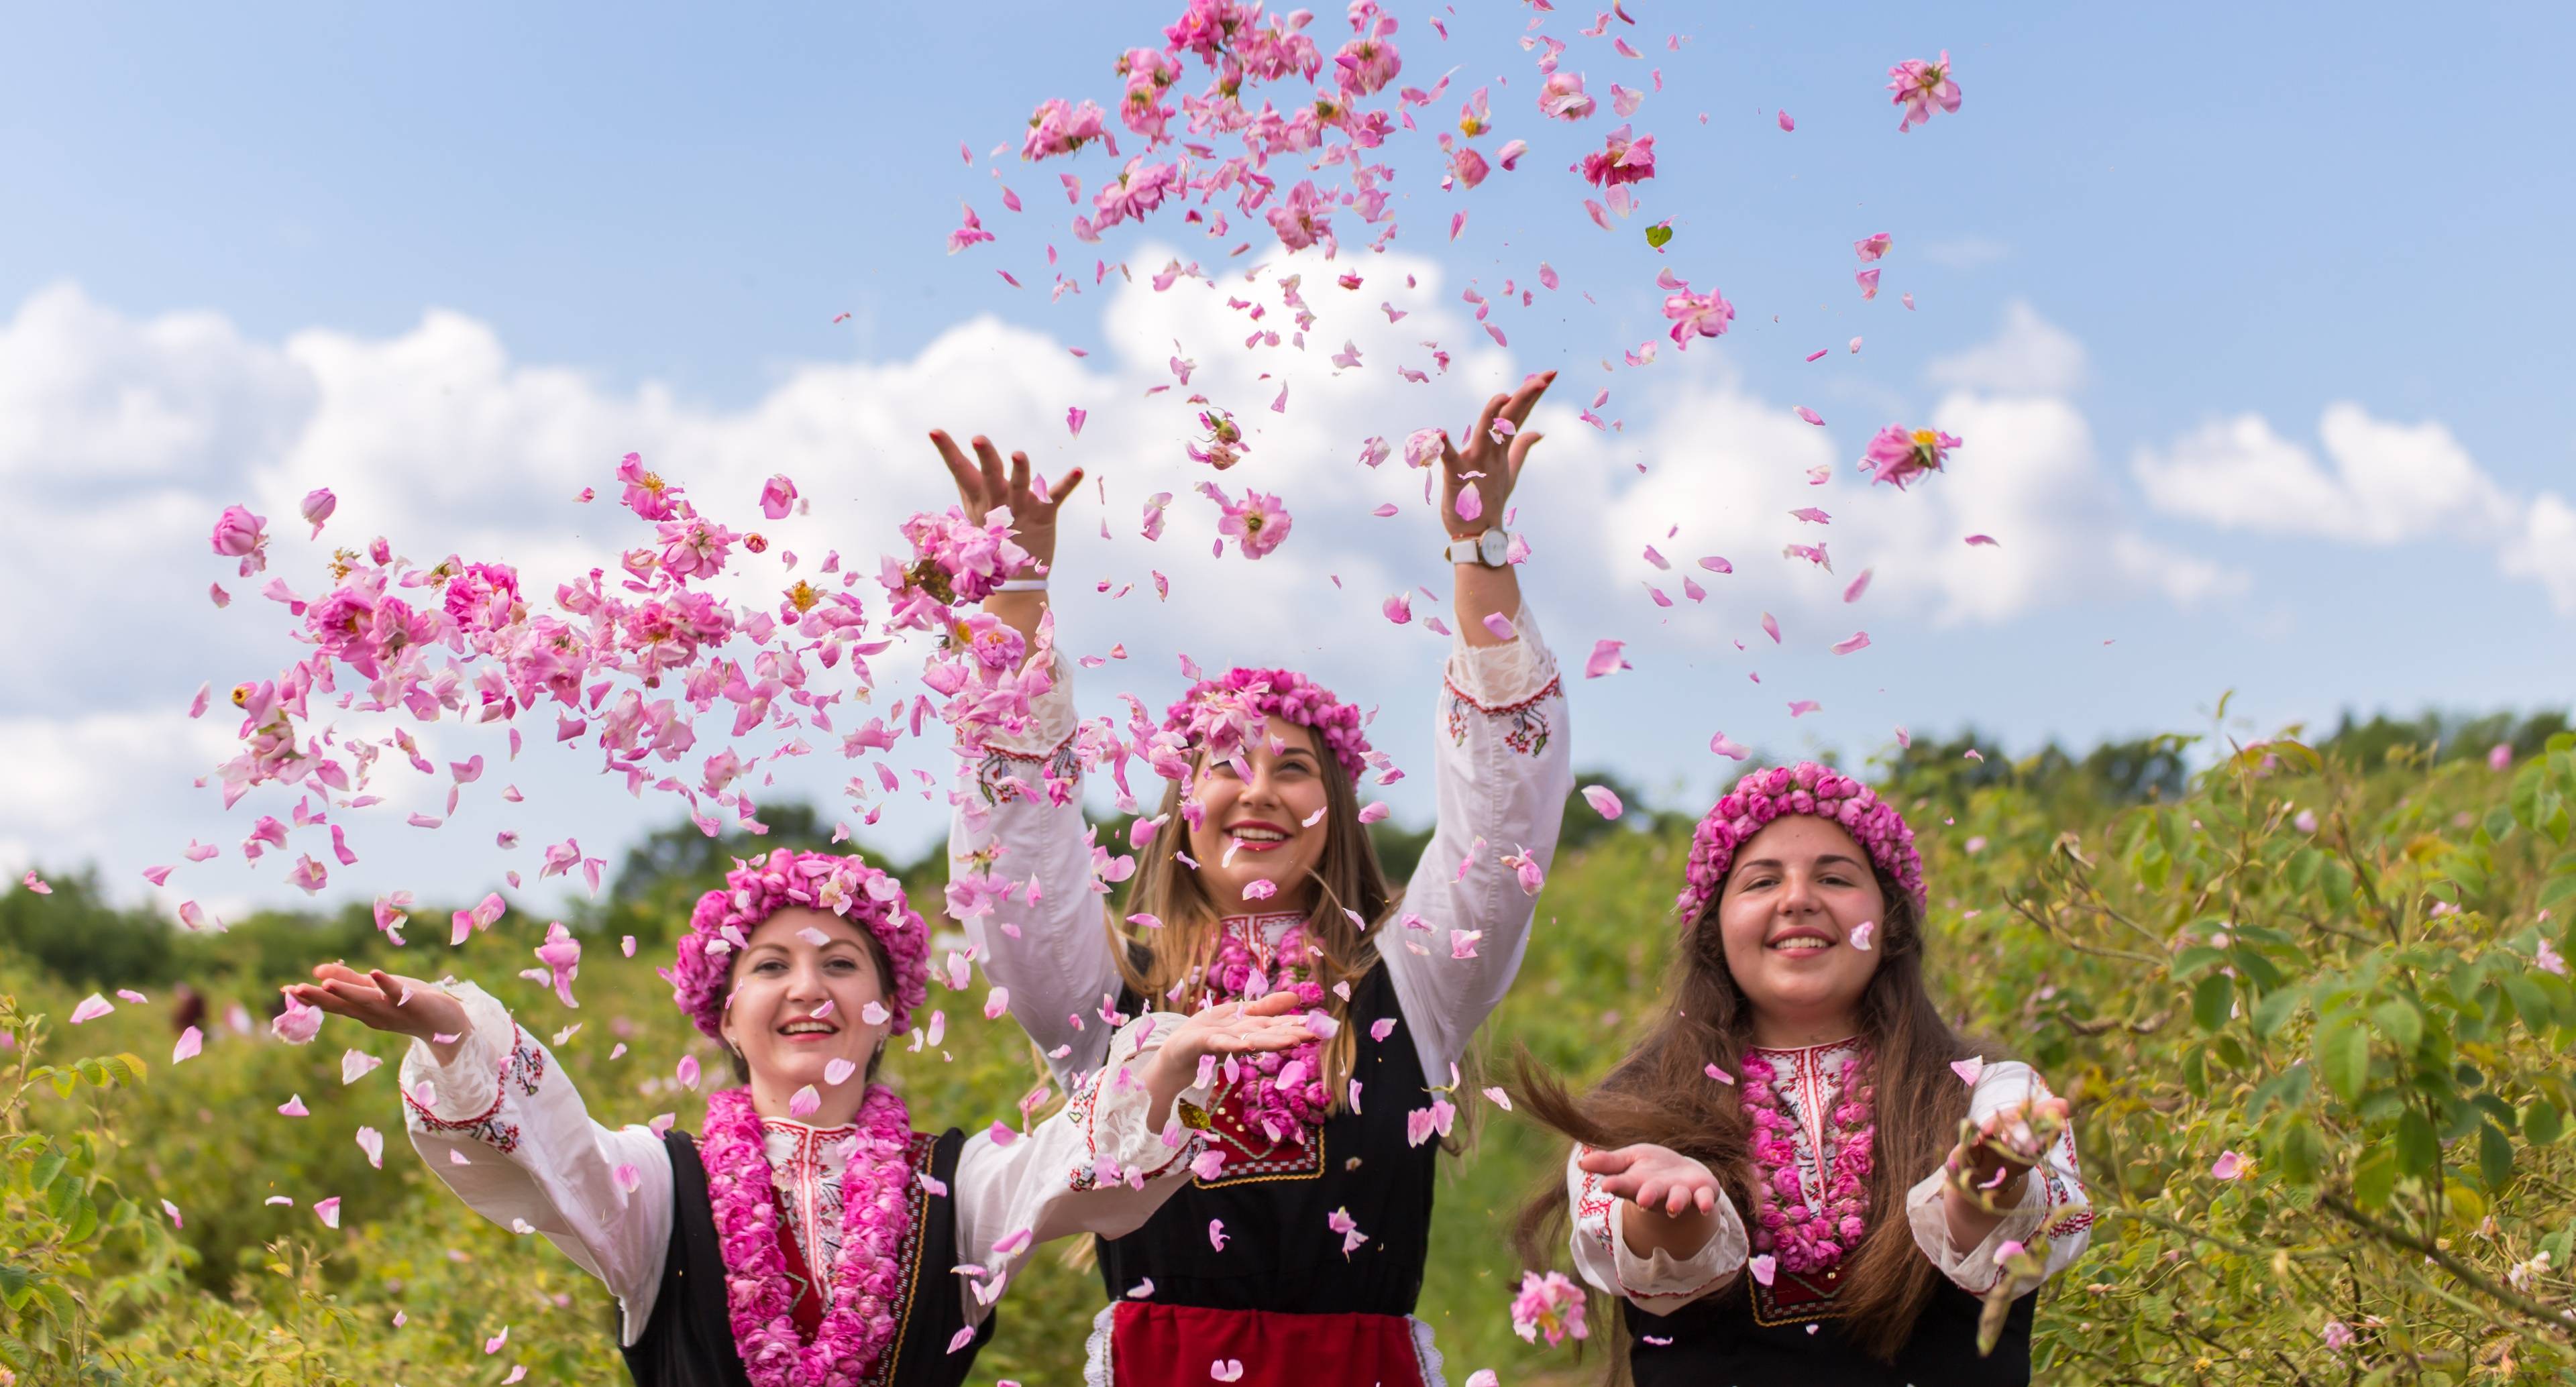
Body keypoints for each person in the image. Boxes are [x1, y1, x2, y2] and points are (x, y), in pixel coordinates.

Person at [932, 372, 1572, 1386]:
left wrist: (1477, 551)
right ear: (1184, 806)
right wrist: (1012, 595)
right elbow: (1019, 868)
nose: (1257, 791)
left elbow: (1505, 817)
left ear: (1337, 808)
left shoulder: (1410, 978)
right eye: (1224, 763)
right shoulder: (1110, 999)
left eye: (1294, 767)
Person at [286, 847, 1317, 1387]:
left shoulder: (958, 1190)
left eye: (841, 965)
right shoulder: (656, 1187)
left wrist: (1171, 1051)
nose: (808, 989)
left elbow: (1073, 1165)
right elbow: (554, 1153)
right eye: (770, 966)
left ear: (889, 1009)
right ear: (725, 1014)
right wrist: (453, 1031)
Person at [1514, 762, 2093, 1386]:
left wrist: (1985, 1184)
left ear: (1890, 921)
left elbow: (1994, 1219)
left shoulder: (1992, 1092)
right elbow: (1653, 1257)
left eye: (1835, 877)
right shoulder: (1633, 1112)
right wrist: (1672, 1214)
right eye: (1761, 881)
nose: (1797, 899)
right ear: (1714, 929)